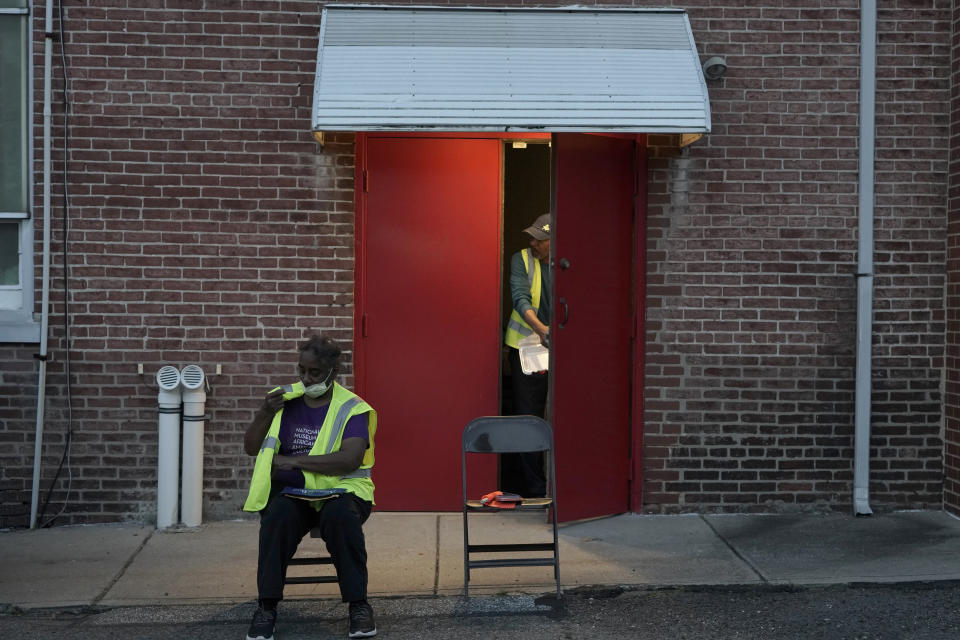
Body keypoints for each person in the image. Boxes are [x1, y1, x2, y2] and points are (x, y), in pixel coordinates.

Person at [242, 335, 378, 640]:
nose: (305, 378)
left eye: (314, 373)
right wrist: (264, 412)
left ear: (333, 371)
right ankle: (266, 607)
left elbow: (350, 459)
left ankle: (359, 606)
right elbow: (251, 447)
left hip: (342, 490)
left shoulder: (352, 408)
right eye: (301, 370)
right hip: (293, 494)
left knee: (341, 519)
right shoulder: (283, 401)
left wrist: (293, 462)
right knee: (276, 518)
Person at [503, 213, 552, 498]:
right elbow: (520, 297)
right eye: (532, 237)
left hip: (562, 349)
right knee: (529, 417)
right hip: (527, 350)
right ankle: (535, 489)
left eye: (541, 239)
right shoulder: (521, 259)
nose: (533, 242)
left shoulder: (569, 261)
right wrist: (543, 329)